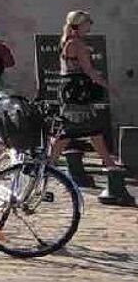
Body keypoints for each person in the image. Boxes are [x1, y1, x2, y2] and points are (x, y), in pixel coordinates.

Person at [50, 11, 119, 170]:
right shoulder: (76, 44)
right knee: (69, 130)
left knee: (89, 129)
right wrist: (108, 86)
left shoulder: (68, 41)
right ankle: (49, 163)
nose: (90, 26)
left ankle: (109, 164)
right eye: (88, 22)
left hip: (71, 89)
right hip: (77, 90)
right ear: (80, 24)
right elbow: (89, 70)